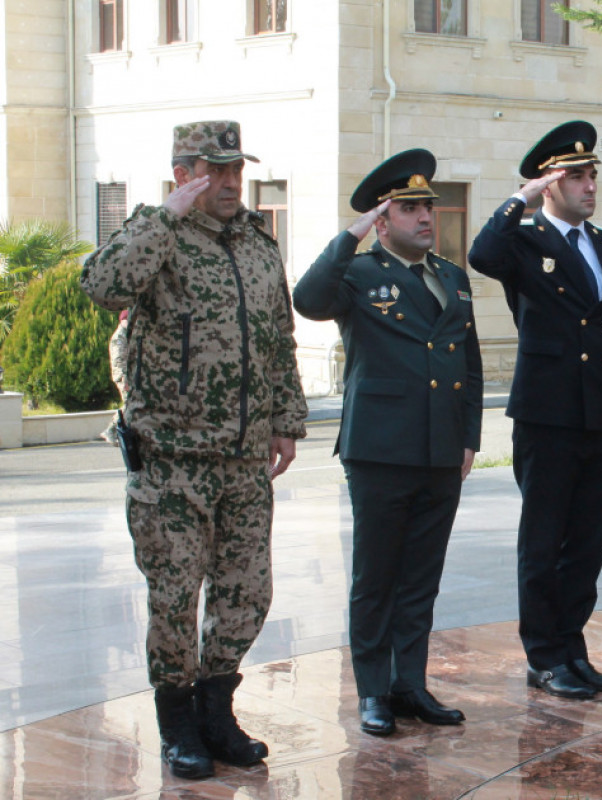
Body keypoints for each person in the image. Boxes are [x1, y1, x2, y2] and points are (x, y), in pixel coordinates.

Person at [80, 120, 308, 779]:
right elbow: (102, 286)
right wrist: (160, 217)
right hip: (172, 460)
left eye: (239, 169)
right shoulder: (160, 237)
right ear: (185, 174)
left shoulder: (260, 247)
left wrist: (285, 420)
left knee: (246, 593)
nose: (234, 181)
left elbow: (279, 341)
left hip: (243, 462)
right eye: (218, 169)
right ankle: (177, 723)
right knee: (175, 595)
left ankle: (217, 712)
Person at [292, 149, 483, 736]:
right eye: (409, 208)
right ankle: (373, 691)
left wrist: (469, 436)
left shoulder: (451, 275)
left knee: (421, 577)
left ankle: (410, 684)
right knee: (376, 578)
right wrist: (350, 235)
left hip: (439, 449)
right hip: (379, 449)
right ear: (382, 219)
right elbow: (307, 299)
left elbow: (469, 363)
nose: (425, 216)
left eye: (428, 205)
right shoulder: (357, 274)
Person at [468, 120, 602, 699]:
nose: (590, 185)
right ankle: (543, 656)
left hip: (600, 411)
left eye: (592, 175)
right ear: (550, 183)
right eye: (577, 176)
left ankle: (573, 647)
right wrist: (520, 197)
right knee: (544, 541)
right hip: (547, 411)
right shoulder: (525, 239)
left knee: (588, 540)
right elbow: (481, 255)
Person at [100, 309, 130, 446]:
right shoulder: (119, 337)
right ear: (123, 320)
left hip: (128, 376)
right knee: (129, 403)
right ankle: (110, 430)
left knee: (130, 403)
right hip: (123, 377)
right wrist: (124, 378)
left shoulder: (127, 335)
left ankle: (113, 430)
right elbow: (119, 360)